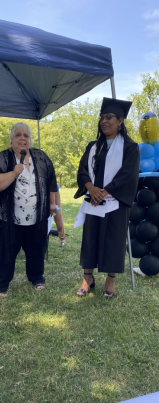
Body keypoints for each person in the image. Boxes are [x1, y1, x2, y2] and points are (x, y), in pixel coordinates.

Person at [74, 98, 140, 298]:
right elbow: (82, 170)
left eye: (109, 117)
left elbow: (128, 174)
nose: (104, 121)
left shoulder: (130, 147)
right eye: (102, 117)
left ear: (120, 121)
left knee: (113, 239)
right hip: (93, 199)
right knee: (90, 236)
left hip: (116, 201)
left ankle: (110, 280)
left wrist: (104, 191)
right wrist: (90, 187)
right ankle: (88, 278)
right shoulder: (93, 146)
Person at [0, 123, 57, 297]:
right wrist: (13, 173)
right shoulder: (2, 158)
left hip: (36, 216)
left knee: (35, 248)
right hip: (8, 218)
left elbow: (51, 182)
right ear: (11, 140)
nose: (22, 138)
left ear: (30, 139)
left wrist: (52, 204)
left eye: (26, 135)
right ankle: (1, 285)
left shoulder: (40, 157)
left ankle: (37, 277)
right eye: (18, 135)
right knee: (6, 250)